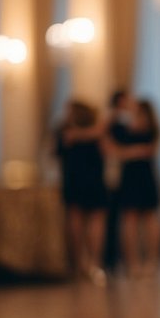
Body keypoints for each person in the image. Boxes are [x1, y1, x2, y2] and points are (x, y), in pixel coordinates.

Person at [57, 99, 109, 285]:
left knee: (79, 220)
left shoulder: (65, 130)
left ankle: (81, 264)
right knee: (91, 221)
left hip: (76, 180)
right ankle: (93, 264)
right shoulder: (97, 131)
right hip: (91, 180)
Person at [109, 98, 160, 277]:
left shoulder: (151, 129)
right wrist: (135, 152)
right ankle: (132, 263)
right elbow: (112, 150)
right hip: (130, 178)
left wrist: (128, 152)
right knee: (129, 220)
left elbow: (151, 150)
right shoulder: (122, 129)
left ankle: (151, 261)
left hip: (145, 176)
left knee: (150, 219)